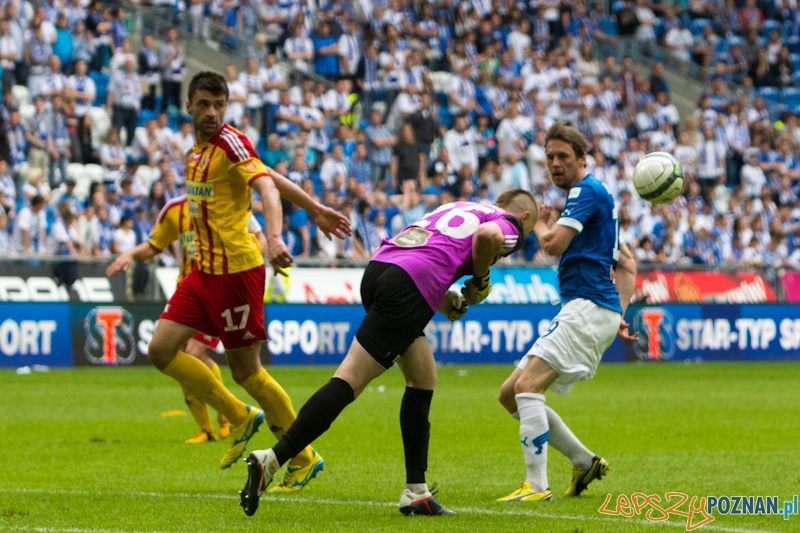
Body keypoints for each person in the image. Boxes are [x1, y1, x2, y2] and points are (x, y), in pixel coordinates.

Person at [239, 189, 539, 517]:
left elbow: (424, 249)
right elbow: (488, 236)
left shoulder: (457, 205)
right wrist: (480, 280)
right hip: (407, 285)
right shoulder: (507, 222)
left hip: (380, 269)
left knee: (423, 376)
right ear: (523, 217)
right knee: (350, 379)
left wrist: (441, 297)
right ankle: (274, 458)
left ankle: (416, 491)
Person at [142, 72, 351, 485]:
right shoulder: (196, 154)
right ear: (188, 106)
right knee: (160, 351)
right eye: (203, 104)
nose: (212, 112)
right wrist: (315, 207)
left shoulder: (231, 143)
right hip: (203, 273)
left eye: (219, 105)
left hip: (238, 272)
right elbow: (272, 176)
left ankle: (304, 454)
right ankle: (239, 417)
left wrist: (274, 237)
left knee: (246, 371)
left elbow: (267, 190)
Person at [495, 122, 638, 503]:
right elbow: (627, 264)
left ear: (581, 159)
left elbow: (554, 244)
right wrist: (618, 313)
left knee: (527, 387)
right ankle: (583, 460)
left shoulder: (586, 192)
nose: (555, 164)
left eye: (563, 156)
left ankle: (536, 486)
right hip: (592, 307)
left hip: (588, 307)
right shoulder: (598, 198)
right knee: (510, 394)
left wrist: (540, 223)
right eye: (550, 157)